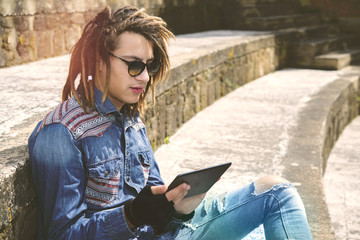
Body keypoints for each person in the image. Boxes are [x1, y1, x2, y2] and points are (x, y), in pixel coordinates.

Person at [28, 6, 313, 240]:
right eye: (134, 64)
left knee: (276, 192)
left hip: (170, 232)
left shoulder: (130, 118)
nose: (144, 77)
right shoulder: (61, 133)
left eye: (149, 66)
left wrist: (178, 207)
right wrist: (131, 216)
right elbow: (62, 234)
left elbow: (156, 194)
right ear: (100, 60)